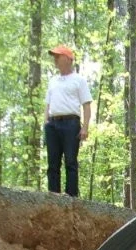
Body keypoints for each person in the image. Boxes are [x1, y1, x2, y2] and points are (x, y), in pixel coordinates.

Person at [44, 45, 92, 197]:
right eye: (54, 57)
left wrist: (85, 127)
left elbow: (86, 105)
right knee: (53, 163)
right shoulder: (53, 81)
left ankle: (71, 196)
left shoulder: (79, 80)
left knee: (70, 161)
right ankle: (54, 195)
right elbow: (48, 104)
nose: (55, 60)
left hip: (71, 123)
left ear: (67, 59)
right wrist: (46, 122)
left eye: (58, 56)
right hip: (52, 123)